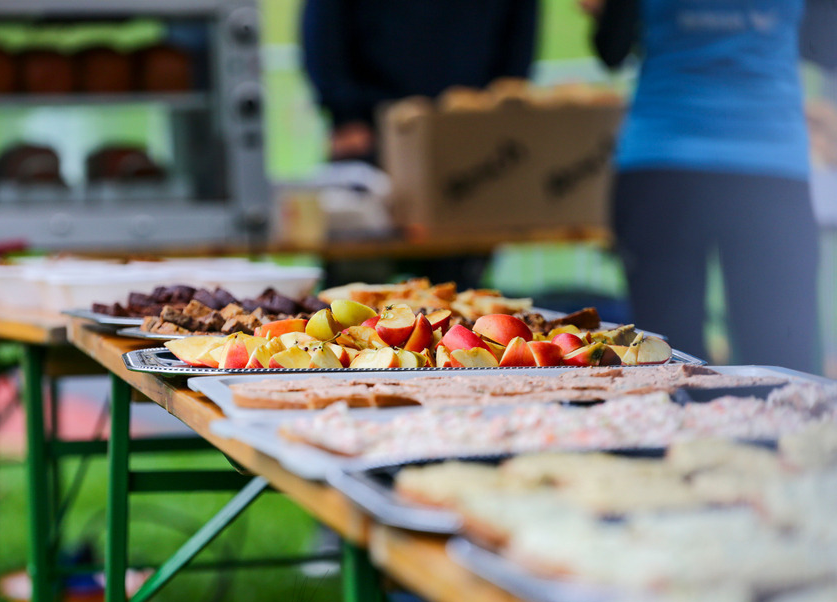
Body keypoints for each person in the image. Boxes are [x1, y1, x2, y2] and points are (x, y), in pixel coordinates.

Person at [588, 0, 821, 373]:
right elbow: (825, 45)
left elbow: (611, 48)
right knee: (782, 366)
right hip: (768, 164)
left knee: (666, 365)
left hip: (663, 162)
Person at [301, 0, 538, 287]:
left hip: (466, 130)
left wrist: (499, 107)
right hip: (371, 129)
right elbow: (323, 24)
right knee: (359, 275)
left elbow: (520, 28)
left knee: (457, 283)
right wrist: (344, 112)